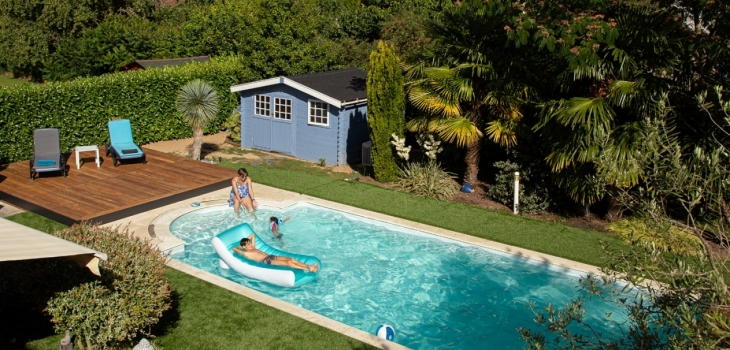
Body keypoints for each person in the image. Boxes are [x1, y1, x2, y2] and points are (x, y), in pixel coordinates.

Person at [232, 234, 319, 272]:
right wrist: (241, 246)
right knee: (288, 263)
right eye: (248, 244)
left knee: (291, 259)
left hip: (271, 256)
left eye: (250, 243)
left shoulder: (253, 247)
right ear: (244, 247)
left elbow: (252, 235)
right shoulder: (246, 254)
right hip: (266, 260)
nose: (250, 244)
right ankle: (308, 269)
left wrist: (246, 241)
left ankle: (308, 266)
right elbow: (234, 248)